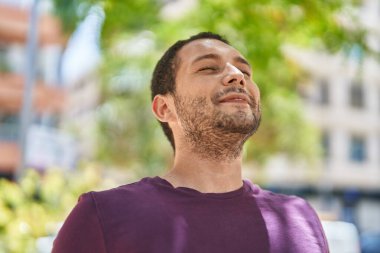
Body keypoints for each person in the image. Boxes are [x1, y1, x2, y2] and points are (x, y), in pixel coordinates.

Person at [52, 32, 329, 253]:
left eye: (245, 71)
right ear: (164, 108)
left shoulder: (300, 217)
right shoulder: (102, 217)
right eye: (208, 67)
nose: (237, 76)